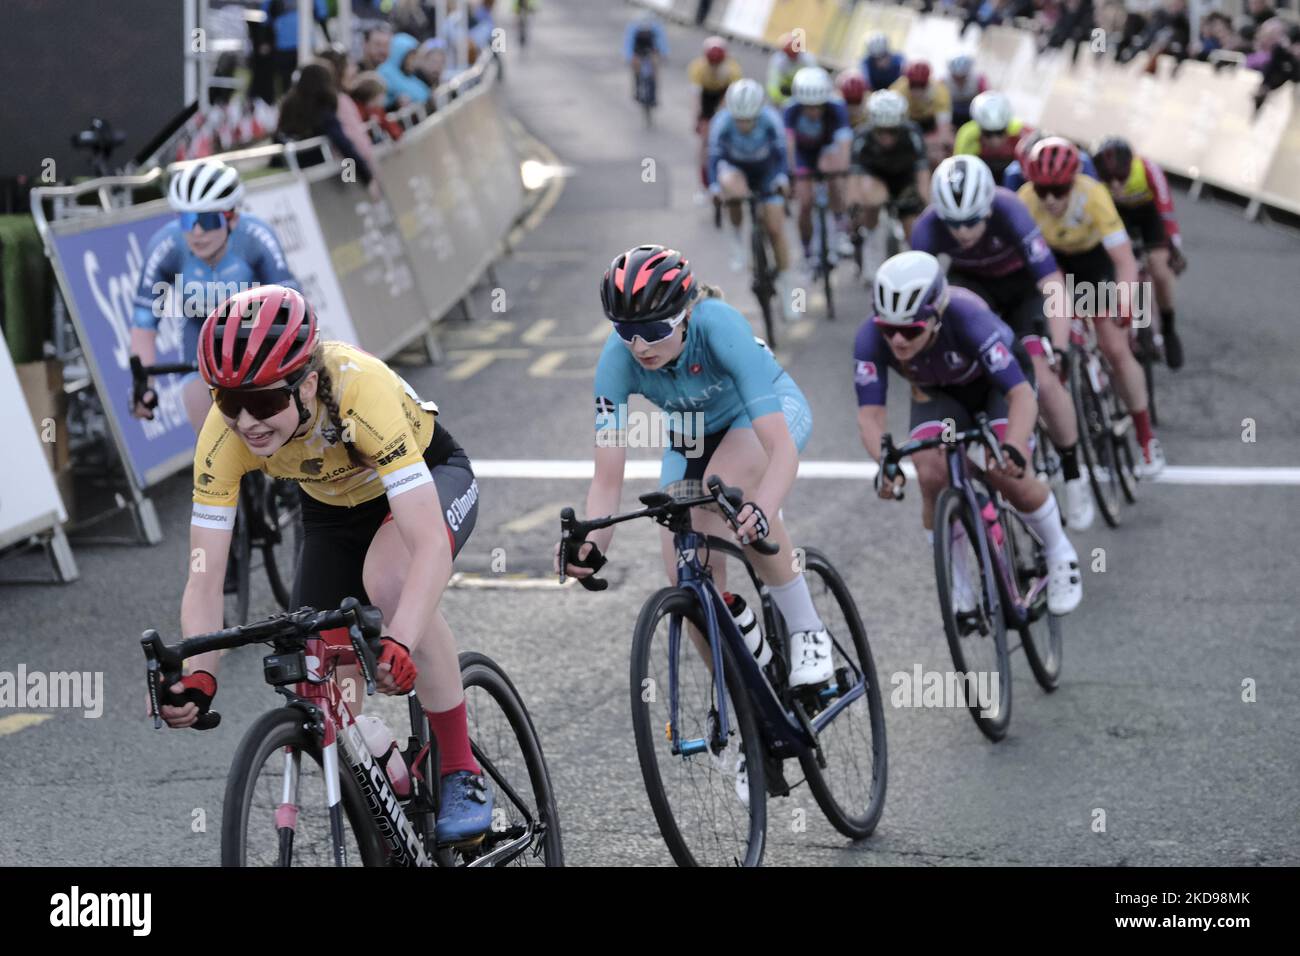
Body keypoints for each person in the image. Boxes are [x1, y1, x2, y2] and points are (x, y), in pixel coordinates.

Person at [157, 286, 492, 843]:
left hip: (426, 481)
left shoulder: (361, 389)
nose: (247, 422)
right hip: (332, 509)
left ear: (306, 383)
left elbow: (430, 543)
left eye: (264, 403)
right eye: (227, 402)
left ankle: (460, 768)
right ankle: (389, 766)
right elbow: (205, 573)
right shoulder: (226, 435)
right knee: (314, 667)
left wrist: (401, 640)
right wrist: (200, 672)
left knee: (391, 579)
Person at [562, 245, 831, 692]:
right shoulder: (617, 359)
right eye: (626, 331)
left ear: (684, 314)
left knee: (718, 491)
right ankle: (744, 710)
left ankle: (808, 630)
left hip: (762, 414)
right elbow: (607, 479)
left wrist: (763, 507)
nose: (639, 346)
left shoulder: (718, 325)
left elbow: (781, 450)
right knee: (684, 571)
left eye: (651, 329)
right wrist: (590, 546)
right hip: (691, 434)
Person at [855, 251, 1083, 615]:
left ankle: (1060, 553)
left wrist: (1014, 449)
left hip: (998, 387)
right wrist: (884, 462)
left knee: (1005, 472)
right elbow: (870, 414)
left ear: (937, 315)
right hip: (939, 394)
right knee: (929, 470)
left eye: (911, 330)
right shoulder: (869, 337)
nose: (897, 340)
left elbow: (1021, 395)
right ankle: (958, 582)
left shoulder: (970, 319)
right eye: (888, 329)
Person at [912, 155, 1094, 530]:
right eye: (955, 224)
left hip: (1023, 289)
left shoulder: (1010, 210)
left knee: (1041, 379)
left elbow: (1052, 285)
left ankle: (1074, 473)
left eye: (972, 221)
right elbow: (916, 298)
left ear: (988, 207)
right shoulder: (928, 227)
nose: (963, 233)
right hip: (973, 289)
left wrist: (1058, 347)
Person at [1017, 137, 1165, 475]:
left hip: (1096, 263)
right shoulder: (1025, 201)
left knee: (1115, 346)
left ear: (1073, 182)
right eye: (1043, 190)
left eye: (1059, 190)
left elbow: (1125, 260)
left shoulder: (1094, 195)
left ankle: (1146, 441)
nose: (1051, 199)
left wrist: (1126, 301)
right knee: (1050, 350)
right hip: (1052, 266)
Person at [130, 159, 299, 434]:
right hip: (201, 339)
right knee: (210, 439)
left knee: (281, 420)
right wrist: (142, 385)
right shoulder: (166, 246)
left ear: (231, 217)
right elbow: (144, 322)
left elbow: (293, 310)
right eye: (187, 219)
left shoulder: (256, 238)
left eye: (208, 220)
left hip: (256, 334)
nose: (197, 232)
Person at [1092, 136, 1186, 369]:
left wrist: (1173, 244)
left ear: (1130, 166)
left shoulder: (1147, 169)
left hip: (1148, 215)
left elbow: (1166, 210)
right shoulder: (1094, 179)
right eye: (1108, 178)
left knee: (1159, 268)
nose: (1114, 185)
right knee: (1118, 266)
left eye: (1120, 177)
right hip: (1117, 216)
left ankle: (1168, 327)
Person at [707, 79, 797, 320]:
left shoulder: (771, 120)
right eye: (739, 120)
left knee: (776, 229)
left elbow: (781, 156)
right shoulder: (722, 123)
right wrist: (715, 187)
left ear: (759, 113)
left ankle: (788, 291)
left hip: (766, 172)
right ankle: (737, 237)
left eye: (749, 120)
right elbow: (714, 159)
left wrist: (781, 179)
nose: (744, 125)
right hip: (737, 170)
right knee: (732, 190)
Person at [847, 90, 930, 264]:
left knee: (914, 233)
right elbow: (854, 176)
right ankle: (870, 240)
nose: (886, 137)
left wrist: (928, 205)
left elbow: (922, 172)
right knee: (870, 199)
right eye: (880, 131)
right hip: (875, 180)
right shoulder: (861, 136)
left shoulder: (913, 133)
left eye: (892, 131)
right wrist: (853, 206)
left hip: (904, 181)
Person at [277, 63, 381, 199]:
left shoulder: (289, 106)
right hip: (319, 172)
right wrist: (367, 178)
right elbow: (344, 145)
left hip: (292, 170)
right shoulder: (322, 111)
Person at [784, 66, 855, 267]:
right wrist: (790, 174)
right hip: (804, 155)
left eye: (818, 106)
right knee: (805, 202)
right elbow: (789, 145)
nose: (814, 111)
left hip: (827, 151)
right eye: (808, 106)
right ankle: (806, 247)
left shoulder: (837, 108)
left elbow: (844, 144)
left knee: (835, 171)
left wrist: (844, 173)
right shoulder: (790, 109)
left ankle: (840, 219)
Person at [689, 36, 742, 194]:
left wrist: (721, 117)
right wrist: (696, 119)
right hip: (706, 99)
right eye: (711, 63)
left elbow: (730, 97)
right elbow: (696, 98)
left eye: (718, 63)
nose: (714, 66)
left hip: (724, 96)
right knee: (705, 143)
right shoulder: (697, 68)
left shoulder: (733, 69)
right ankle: (703, 183)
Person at [314, 48, 374, 170]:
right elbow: (356, 144)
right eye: (349, 65)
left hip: (345, 171)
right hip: (350, 173)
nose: (355, 69)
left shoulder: (327, 100)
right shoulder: (340, 102)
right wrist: (369, 176)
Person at [953, 91, 1029, 184]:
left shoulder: (1020, 133)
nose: (995, 141)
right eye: (988, 134)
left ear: (1007, 127)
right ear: (979, 128)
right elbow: (961, 170)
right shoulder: (968, 135)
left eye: (1000, 133)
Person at [890, 61, 952, 167]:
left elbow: (944, 132)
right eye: (913, 85)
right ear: (907, 82)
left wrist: (935, 147)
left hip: (930, 123)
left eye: (921, 86)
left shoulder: (940, 92)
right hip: (907, 122)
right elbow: (892, 130)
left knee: (944, 149)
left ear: (928, 82)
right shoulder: (896, 92)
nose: (917, 91)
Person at [263, 0, 331, 98]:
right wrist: (328, 40)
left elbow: (266, 18)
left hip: (285, 44)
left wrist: (265, 40)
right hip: (304, 44)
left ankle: (288, 105)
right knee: (308, 79)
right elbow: (322, 14)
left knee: (286, 83)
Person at [1002, 127, 1097, 191]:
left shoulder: (1080, 162)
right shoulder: (1014, 174)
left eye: (1058, 191)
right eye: (1041, 190)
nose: (1049, 199)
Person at [377, 31, 432, 108]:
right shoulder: (384, 74)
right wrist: (395, 103)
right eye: (410, 58)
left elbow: (424, 95)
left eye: (415, 58)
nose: (413, 62)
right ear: (399, 54)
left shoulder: (412, 77)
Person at [624, 13, 669, 104]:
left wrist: (663, 55)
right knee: (636, 65)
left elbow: (661, 42)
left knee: (655, 66)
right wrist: (630, 57)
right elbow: (628, 45)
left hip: (650, 49)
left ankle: (653, 94)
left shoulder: (656, 28)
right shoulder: (633, 29)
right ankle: (637, 89)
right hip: (638, 49)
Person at [767, 32, 818, 107]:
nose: (792, 57)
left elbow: (815, 80)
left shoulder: (808, 60)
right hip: (783, 93)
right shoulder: (777, 60)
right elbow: (773, 84)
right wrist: (782, 100)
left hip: (802, 94)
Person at [351, 72, 404, 140]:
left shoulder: (376, 110)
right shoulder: (356, 110)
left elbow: (388, 125)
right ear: (372, 95)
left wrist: (397, 134)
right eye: (381, 95)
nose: (384, 98)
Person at [944, 54, 987, 128]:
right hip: (952, 112)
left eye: (963, 77)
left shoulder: (979, 79)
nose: (959, 80)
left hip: (972, 110)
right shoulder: (943, 81)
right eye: (956, 77)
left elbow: (986, 100)